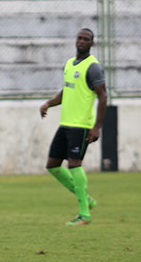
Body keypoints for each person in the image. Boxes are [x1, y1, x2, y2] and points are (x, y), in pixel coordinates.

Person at [40, 28, 108, 226]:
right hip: (66, 124)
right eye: (80, 38)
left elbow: (103, 96)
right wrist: (48, 104)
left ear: (92, 44)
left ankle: (84, 215)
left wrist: (96, 127)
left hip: (81, 125)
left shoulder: (93, 67)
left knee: (74, 164)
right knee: (52, 165)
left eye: (86, 39)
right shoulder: (70, 64)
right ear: (75, 40)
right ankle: (86, 199)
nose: (82, 41)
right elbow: (66, 92)